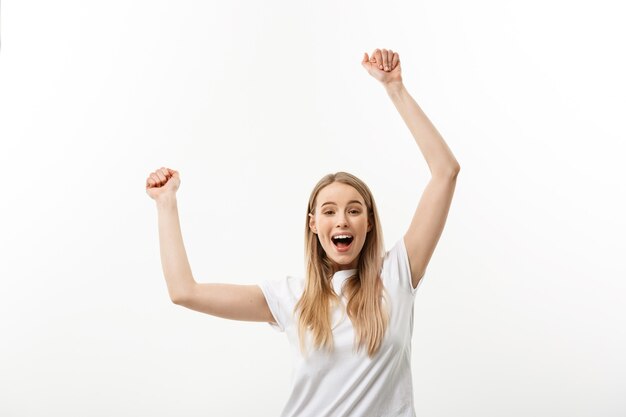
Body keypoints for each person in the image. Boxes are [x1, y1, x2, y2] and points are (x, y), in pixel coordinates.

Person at [145, 48, 460, 417]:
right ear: (314, 225)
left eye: (354, 210)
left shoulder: (397, 276)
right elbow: (184, 292)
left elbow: (445, 172)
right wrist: (166, 203)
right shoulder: (292, 298)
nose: (341, 220)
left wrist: (395, 89)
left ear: (369, 222)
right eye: (329, 211)